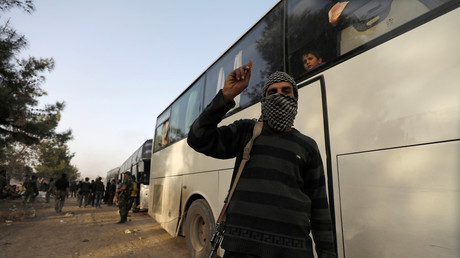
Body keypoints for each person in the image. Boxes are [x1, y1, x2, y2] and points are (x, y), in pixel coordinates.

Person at [187, 61, 336, 258]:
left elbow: (320, 209)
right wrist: (225, 97)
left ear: (295, 97)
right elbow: (198, 138)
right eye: (271, 92)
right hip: (241, 251)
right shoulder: (246, 131)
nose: (279, 95)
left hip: (293, 253)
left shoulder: (307, 146)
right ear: (264, 99)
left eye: (286, 90)